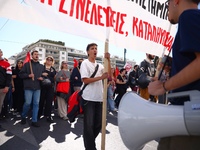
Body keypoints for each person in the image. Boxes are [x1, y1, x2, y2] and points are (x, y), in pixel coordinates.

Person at [148, 0, 200, 149]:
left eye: (167, 3)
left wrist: (163, 86)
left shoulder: (189, 17)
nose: (167, 8)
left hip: (186, 119)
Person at [80, 43, 111, 150]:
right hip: (88, 98)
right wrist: (100, 77)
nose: (95, 50)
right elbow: (85, 80)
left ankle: (89, 142)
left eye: (96, 49)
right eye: (92, 48)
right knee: (88, 126)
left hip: (99, 98)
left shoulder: (101, 66)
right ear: (88, 52)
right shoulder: (85, 63)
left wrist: (108, 60)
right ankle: (91, 147)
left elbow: (109, 75)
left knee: (99, 124)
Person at [19, 50, 45, 127]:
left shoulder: (41, 66)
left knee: (36, 104)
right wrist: (28, 75)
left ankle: (34, 120)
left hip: (37, 87)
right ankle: (23, 116)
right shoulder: (27, 65)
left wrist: (42, 78)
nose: (37, 55)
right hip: (28, 87)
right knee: (27, 103)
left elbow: (44, 75)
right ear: (32, 56)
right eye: (35, 54)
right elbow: (21, 74)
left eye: (38, 54)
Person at [38, 56, 56, 123]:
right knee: (41, 101)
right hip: (42, 86)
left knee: (49, 101)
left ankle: (48, 115)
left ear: (52, 61)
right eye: (48, 59)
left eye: (51, 60)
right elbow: (37, 74)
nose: (49, 61)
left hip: (50, 87)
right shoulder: (42, 67)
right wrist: (42, 74)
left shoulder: (53, 69)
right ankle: (39, 114)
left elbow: (54, 78)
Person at [0, 49, 12, 128]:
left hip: (2, 88)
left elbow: (9, 76)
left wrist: (7, 86)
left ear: (1, 53)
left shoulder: (7, 64)